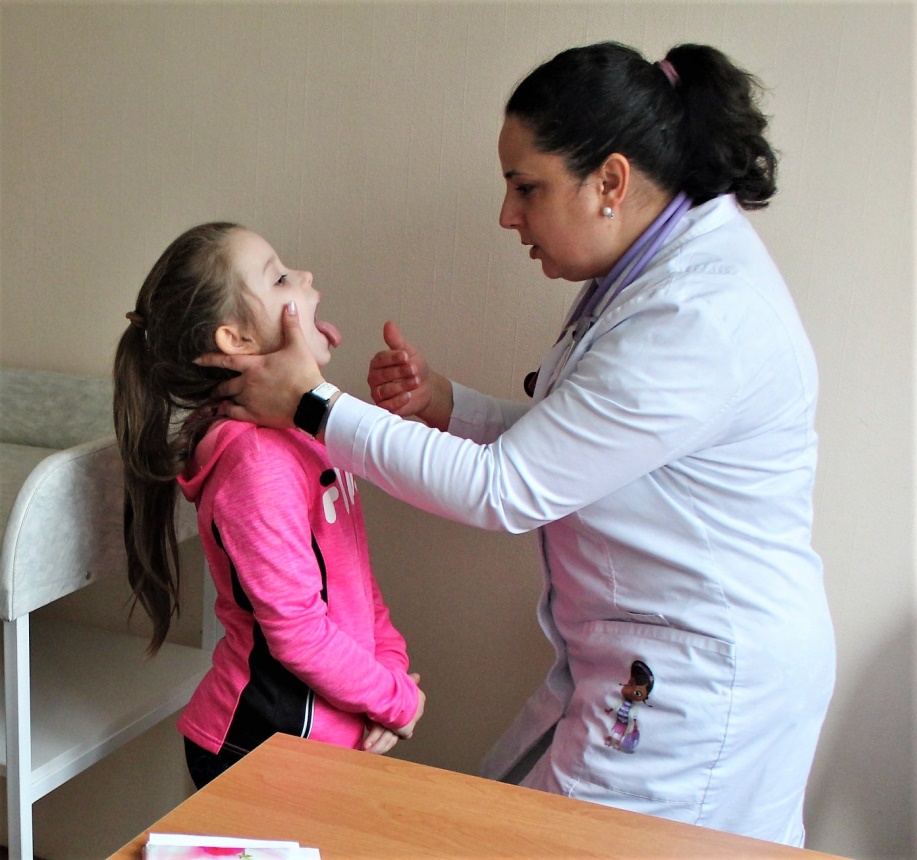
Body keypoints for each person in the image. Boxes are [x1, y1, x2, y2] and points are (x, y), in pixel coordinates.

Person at [200, 41, 835, 845]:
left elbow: (506, 489)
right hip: (647, 657)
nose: (507, 215)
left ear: (609, 182)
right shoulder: (650, 271)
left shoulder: (698, 315)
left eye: (525, 187)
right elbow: (586, 447)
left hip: (702, 685)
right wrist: (447, 407)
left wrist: (313, 406)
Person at [113, 222, 425, 789]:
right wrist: (396, 700)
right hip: (260, 749)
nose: (305, 276)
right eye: (279, 278)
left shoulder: (303, 435)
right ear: (236, 340)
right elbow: (298, 633)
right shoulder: (256, 462)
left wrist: (390, 676)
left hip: (331, 741)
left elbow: (355, 584)